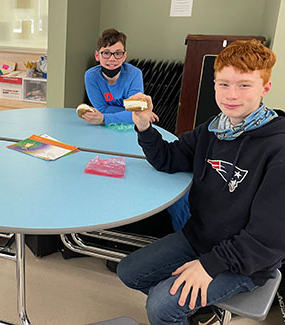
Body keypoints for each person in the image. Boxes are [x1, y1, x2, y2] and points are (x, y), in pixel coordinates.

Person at [117, 39, 285, 324]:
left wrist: (208, 267)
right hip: (199, 238)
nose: (231, 95)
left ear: (265, 88)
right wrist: (144, 125)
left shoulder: (278, 148)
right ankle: (201, 310)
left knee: (161, 306)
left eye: (244, 85)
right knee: (129, 272)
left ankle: (185, 308)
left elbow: (267, 239)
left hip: (246, 262)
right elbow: (169, 159)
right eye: (223, 84)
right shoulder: (214, 128)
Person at [83, 28, 157, 125]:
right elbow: (102, 109)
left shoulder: (135, 74)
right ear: (97, 56)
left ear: (124, 56)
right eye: (106, 53)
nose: (112, 58)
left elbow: (136, 111)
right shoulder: (91, 76)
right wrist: (130, 113)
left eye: (118, 53)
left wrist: (104, 119)